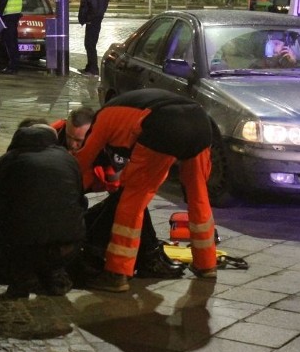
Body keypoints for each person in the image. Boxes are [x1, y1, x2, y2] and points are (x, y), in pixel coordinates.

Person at [75, 88, 217, 293]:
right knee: (199, 195)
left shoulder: (102, 119)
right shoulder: (127, 105)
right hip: (201, 123)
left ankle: (116, 273)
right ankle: (207, 264)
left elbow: (84, 158)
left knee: (132, 198)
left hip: (164, 125)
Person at [51, 108, 185, 279]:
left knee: (129, 198)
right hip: (57, 222)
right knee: (127, 199)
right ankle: (150, 257)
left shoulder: (107, 145)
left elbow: (119, 182)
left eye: (79, 140)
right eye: (70, 137)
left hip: (73, 217)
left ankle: (149, 254)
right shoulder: (52, 136)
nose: (73, 144)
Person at [0, 123, 87, 297]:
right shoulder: (69, 159)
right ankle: (55, 274)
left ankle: (23, 278)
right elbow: (81, 201)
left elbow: (2, 209)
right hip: (69, 247)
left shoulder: (5, 161)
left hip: (25, 247)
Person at [77, 0, 109, 77]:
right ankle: (90, 67)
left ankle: (93, 70)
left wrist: (89, 18)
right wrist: (101, 13)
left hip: (92, 22)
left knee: (89, 44)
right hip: (96, 21)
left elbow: (93, 5)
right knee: (90, 44)